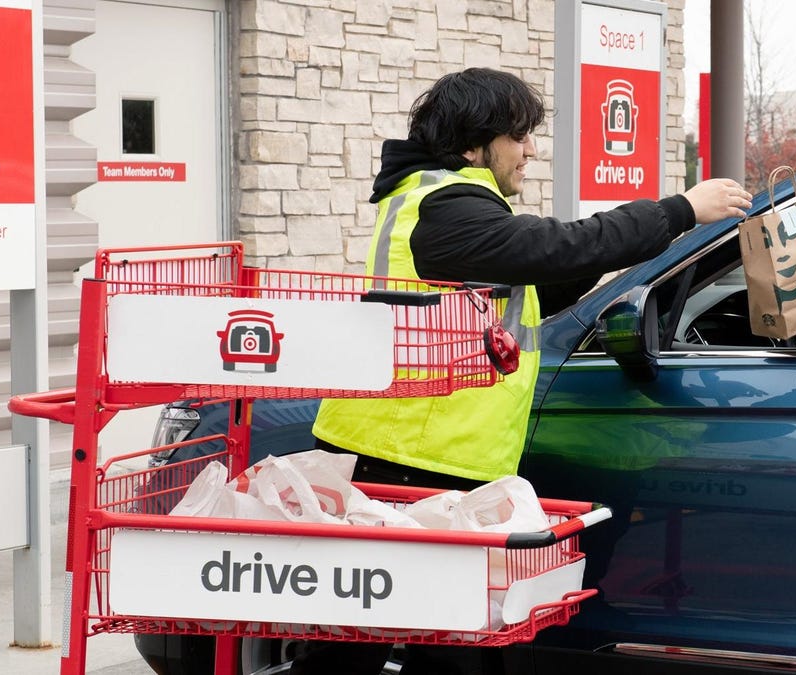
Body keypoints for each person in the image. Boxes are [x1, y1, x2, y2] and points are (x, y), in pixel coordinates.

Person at [296, 68, 751, 675]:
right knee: (361, 642)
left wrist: (617, 254)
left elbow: (541, 277)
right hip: (401, 454)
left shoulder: (448, 206)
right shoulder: (444, 204)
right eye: (519, 136)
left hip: (430, 454)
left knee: (429, 635)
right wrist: (679, 210)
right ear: (473, 143)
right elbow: (555, 247)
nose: (531, 149)